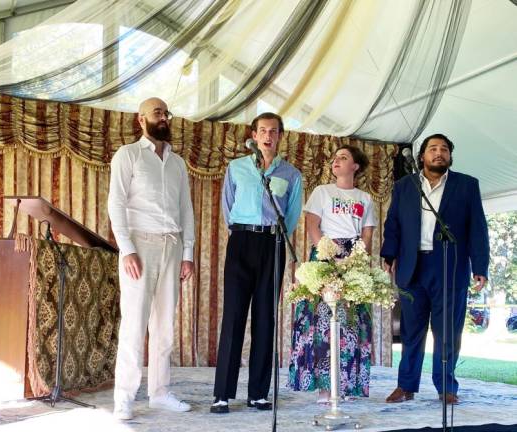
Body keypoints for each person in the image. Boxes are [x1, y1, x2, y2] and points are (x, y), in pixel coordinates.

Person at [381, 133, 489, 404]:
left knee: (447, 331)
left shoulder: (466, 186)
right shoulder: (405, 186)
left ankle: (446, 388)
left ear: (450, 156)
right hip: (412, 266)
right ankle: (406, 386)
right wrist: (388, 254)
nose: (438, 153)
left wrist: (480, 266)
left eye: (444, 149)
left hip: (449, 266)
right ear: (422, 156)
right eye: (433, 148)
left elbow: (478, 228)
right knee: (411, 331)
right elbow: (393, 223)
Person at [108, 97, 195, 421]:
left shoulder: (178, 163)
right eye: (157, 112)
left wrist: (187, 253)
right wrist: (127, 249)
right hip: (139, 248)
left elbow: (186, 210)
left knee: (165, 327)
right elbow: (116, 204)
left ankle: (160, 393)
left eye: (166, 113)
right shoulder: (127, 155)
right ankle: (124, 398)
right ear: (141, 119)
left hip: (172, 247)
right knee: (134, 325)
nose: (163, 118)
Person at [211, 112, 302, 414]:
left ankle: (258, 394)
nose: (267, 136)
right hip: (241, 242)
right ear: (253, 134)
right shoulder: (236, 167)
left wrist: (273, 235)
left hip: (272, 243)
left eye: (273, 131)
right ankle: (222, 394)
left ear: (279, 136)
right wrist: (243, 230)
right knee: (234, 317)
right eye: (262, 130)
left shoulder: (290, 174)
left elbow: (290, 216)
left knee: (265, 319)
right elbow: (227, 206)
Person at [288, 145, 377, 402]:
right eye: (335, 157)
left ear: (355, 167)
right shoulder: (322, 191)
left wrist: (356, 256)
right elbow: (312, 224)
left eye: (344, 157)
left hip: (354, 256)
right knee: (323, 322)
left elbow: (368, 231)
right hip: (326, 252)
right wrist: (328, 251)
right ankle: (325, 387)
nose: (337, 161)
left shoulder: (365, 198)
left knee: (351, 321)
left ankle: (347, 385)